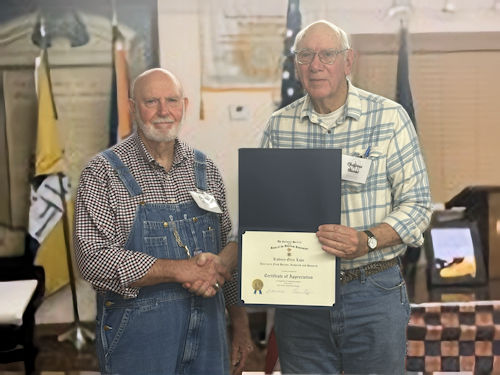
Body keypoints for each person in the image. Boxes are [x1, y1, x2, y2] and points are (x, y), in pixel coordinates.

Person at [261, 20, 431, 374]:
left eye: (327, 54)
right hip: (300, 297)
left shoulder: (389, 118)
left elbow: (417, 206)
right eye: (305, 55)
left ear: (348, 61)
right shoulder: (279, 127)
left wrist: (366, 240)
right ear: (296, 65)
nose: (316, 65)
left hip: (372, 291)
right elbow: (265, 213)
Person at [74, 68, 253, 375]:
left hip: (209, 338)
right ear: (132, 107)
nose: (163, 111)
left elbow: (226, 254)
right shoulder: (102, 173)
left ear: (183, 105)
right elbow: (92, 260)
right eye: (151, 101)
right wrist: (178, 269)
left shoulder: (205, 169)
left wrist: (240, 324)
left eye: (171, 100)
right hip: (140, 342)